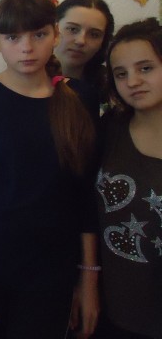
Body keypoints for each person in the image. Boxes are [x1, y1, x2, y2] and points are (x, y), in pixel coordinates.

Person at [0, 0, 100, 339]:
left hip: (52, 274)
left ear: (55, 35)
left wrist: (88, 279)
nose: (27, 48)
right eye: (13, 37)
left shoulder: (80, 97)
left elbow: (85, 196)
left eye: (39, 35)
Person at [94, 17, 162, 339]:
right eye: (121, 74)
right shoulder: (108, 130)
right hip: (117, 310)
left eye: (146, 68)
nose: (133, 81)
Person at [55, 0, 115, 109]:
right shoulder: (27, 82)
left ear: (103, 42)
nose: (81, 41)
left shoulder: (110, 88)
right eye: (72, 29)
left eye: (94, 34)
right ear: (53, 29)